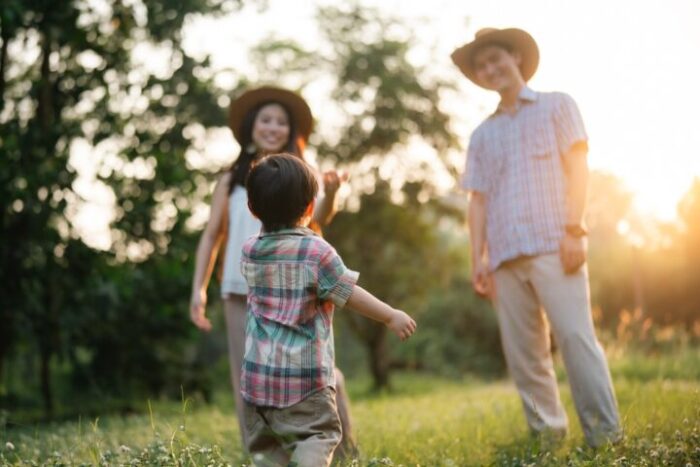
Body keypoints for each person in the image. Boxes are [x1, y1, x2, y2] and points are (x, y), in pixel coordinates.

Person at [451, 28, 622, 447]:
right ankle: (547, 434)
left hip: (554, 243)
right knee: (526, 357)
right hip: (504, 256)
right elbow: (478, 202)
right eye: (481, 66)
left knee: (576, 339)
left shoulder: (558, 106)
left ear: (515, 56)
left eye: (495, 59)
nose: (490, 69)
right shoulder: (481, 135)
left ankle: (605, 436)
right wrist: (479, 259)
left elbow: (579, 168)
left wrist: (575, 229)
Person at [189, 86, 355, 455]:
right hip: (240, 288)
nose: (273, 127)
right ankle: (265, 455)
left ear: (291, 131)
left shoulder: (302, 173)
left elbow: (319, 220)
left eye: (281, 122)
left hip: (294, 285)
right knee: (248, 378)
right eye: (266, 120)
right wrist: (198, 289)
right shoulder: (230, 180)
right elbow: (211, 236)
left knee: (317, 369)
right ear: (251, 127)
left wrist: (331, 193)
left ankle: (336, 448)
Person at [241, 153, 417, 466]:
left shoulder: (251, 251)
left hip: (258, 385)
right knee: (316, 438)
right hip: (305, 385)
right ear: (310, 207)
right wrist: (390, 315)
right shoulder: (316, 252)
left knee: (270, 453)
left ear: (252, 208)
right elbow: (348, 293)